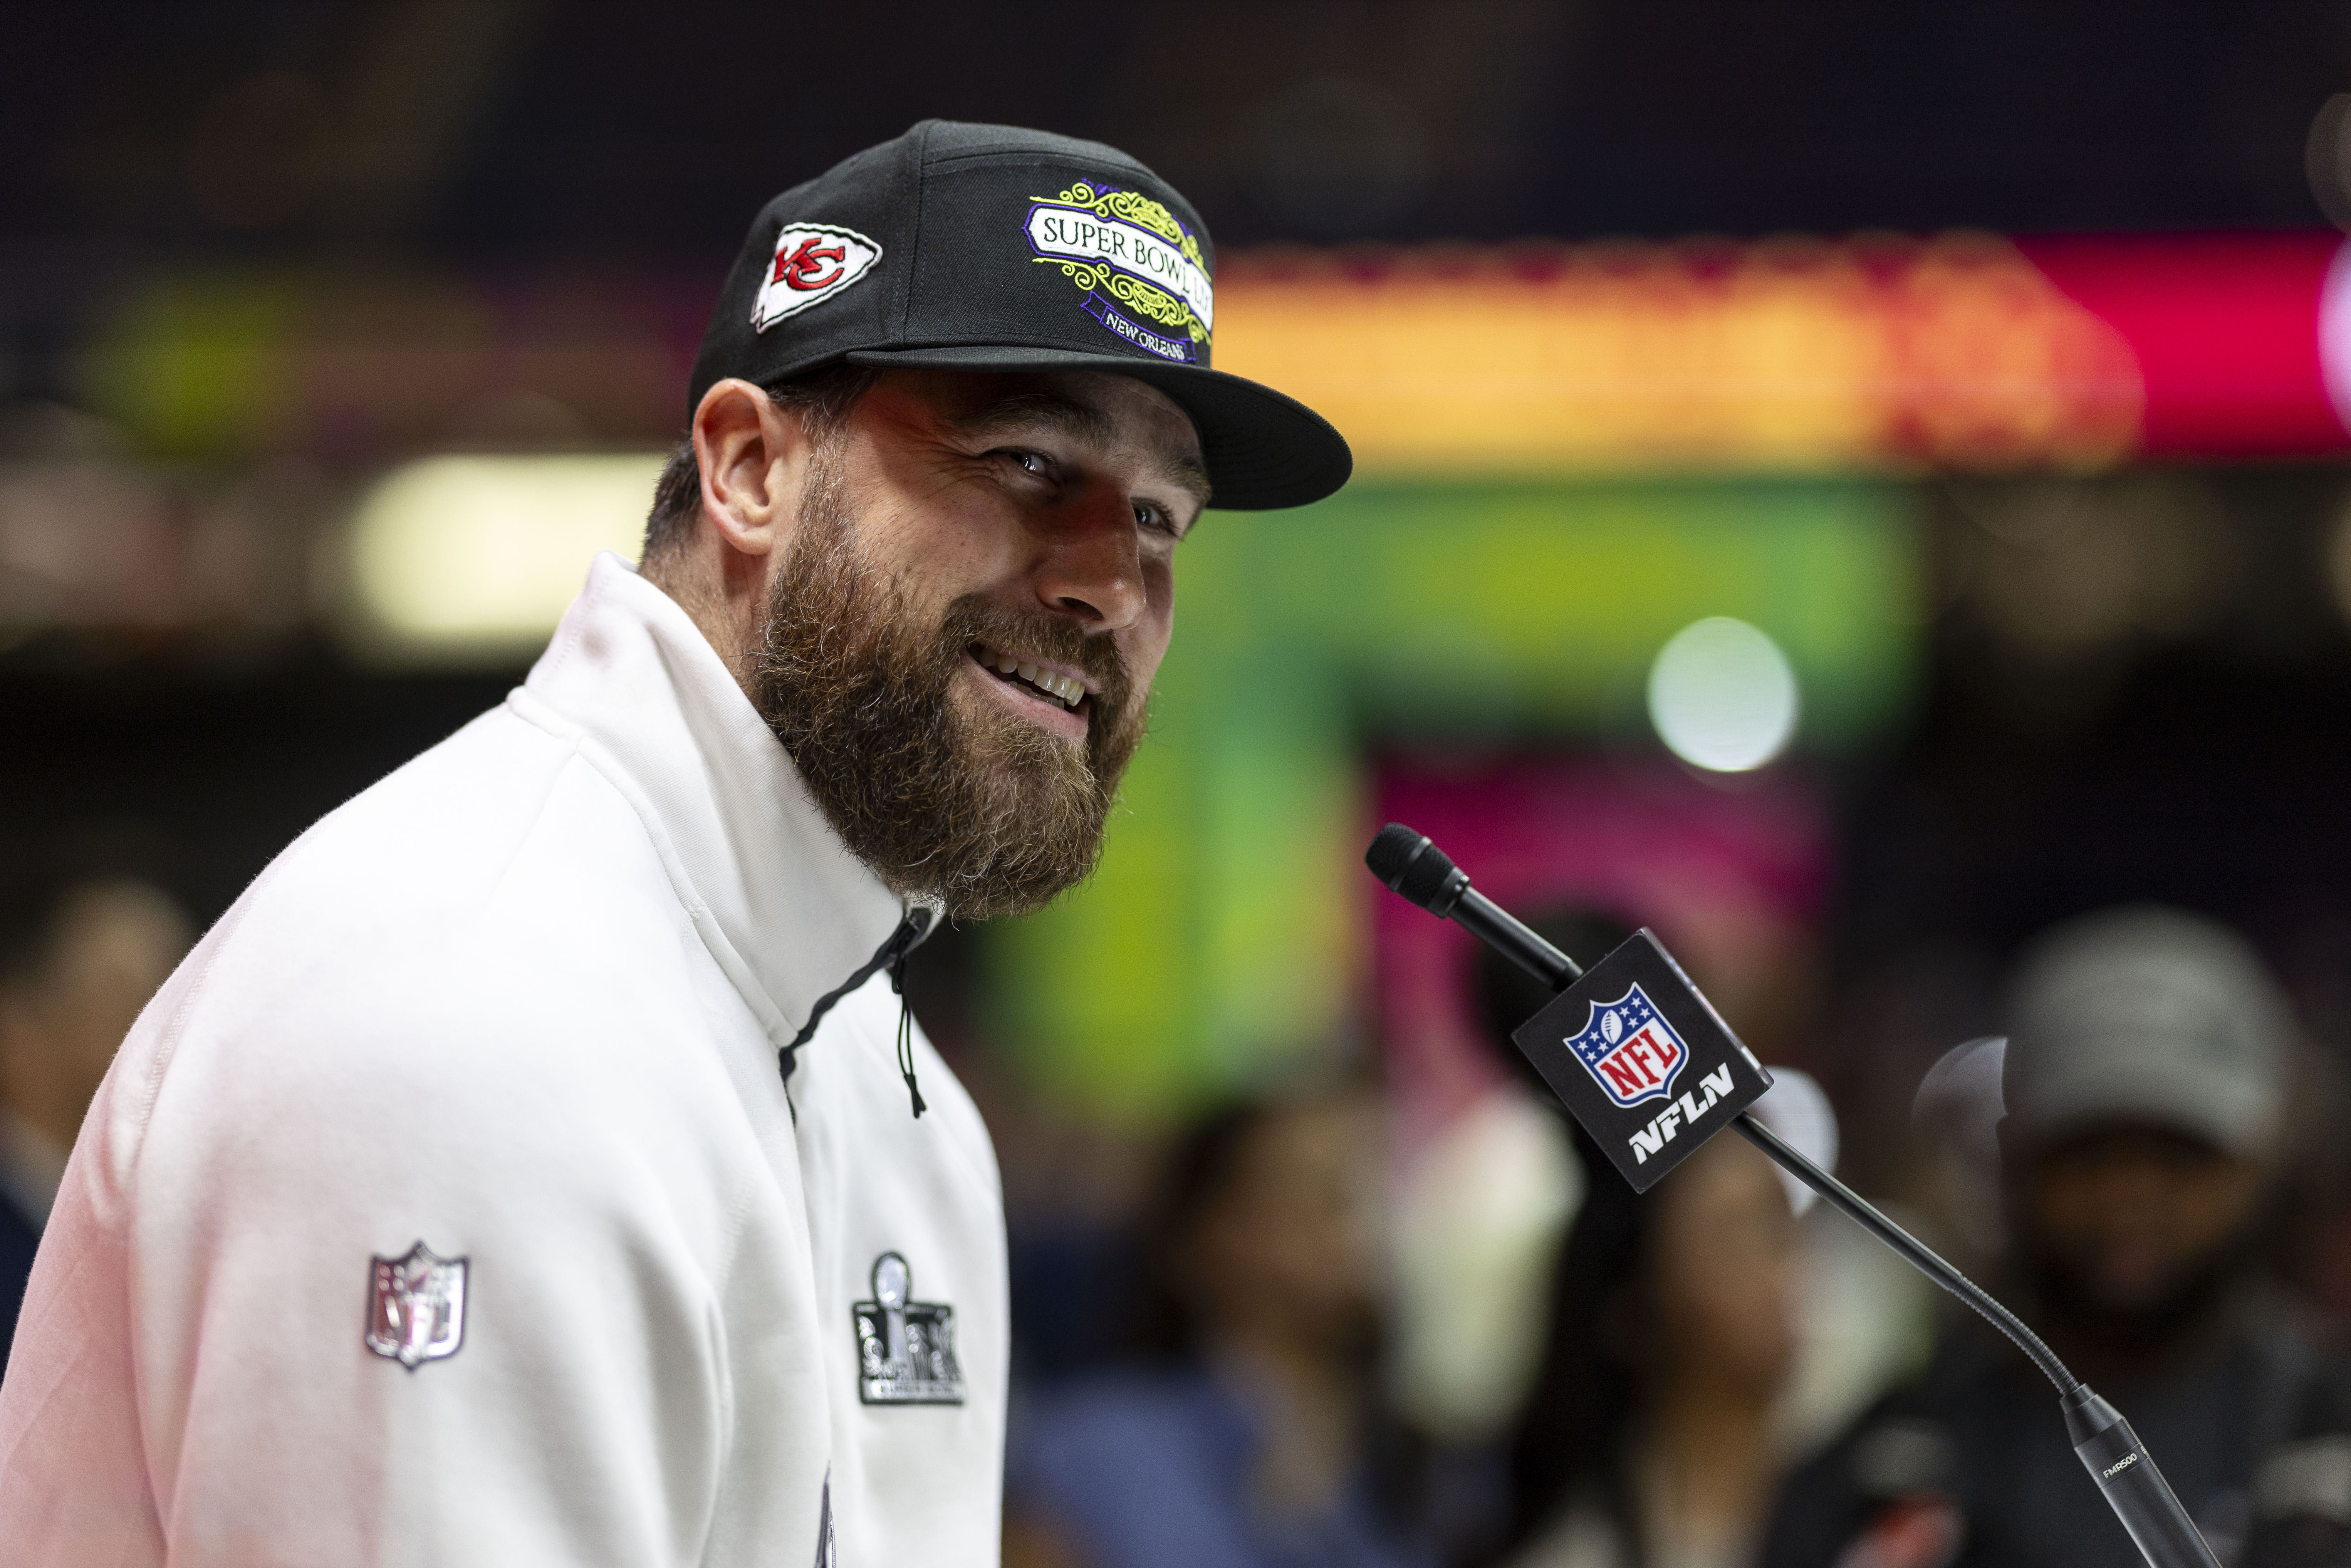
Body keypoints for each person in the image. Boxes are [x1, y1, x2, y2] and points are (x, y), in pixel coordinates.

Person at [0, 120, 1350, 1565]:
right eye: (1024, 460)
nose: (1107, 583)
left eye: (1159, 516)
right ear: (749, 469)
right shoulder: (464, 1022)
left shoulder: (891, 1095)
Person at [1762, 906, 2351, 1568]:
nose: (2130, 1193)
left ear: (2260, 1159)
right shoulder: (1883, 1468)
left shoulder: (2328, 1432)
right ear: (2015, 1155)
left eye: (2176, 1154)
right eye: (2088, 1150)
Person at [1007, 1092, 1436, 1568]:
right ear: (1207, 1236)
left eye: (1379, 1191)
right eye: (1327, 1196)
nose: (1365, 1228)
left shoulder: (1440, 1464)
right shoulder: (1088, 1452)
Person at [0, 876, 191, 1366]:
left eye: (179, 995)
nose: (170, 1032)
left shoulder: (187, 1234)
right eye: (125, 995)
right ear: (17, 1022)